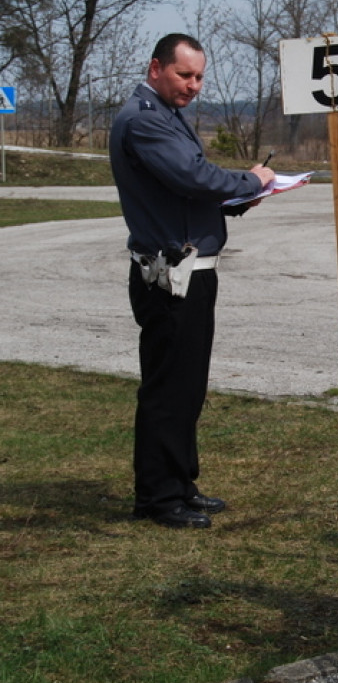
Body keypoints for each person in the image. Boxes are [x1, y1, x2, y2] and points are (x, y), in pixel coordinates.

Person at [109, 33, 276, 529]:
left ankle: (180, 483)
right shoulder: (144, 120)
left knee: (187, 387)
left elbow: (188, 191)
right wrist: (250, 181)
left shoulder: (164, 115)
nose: (193, 86)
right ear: (155, 67)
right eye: (185, 75)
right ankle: (159, 498)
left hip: (188, 271)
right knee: (168, 388)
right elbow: (195, 177)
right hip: (169, 276)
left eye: (200, 77)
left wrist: (241, 198)